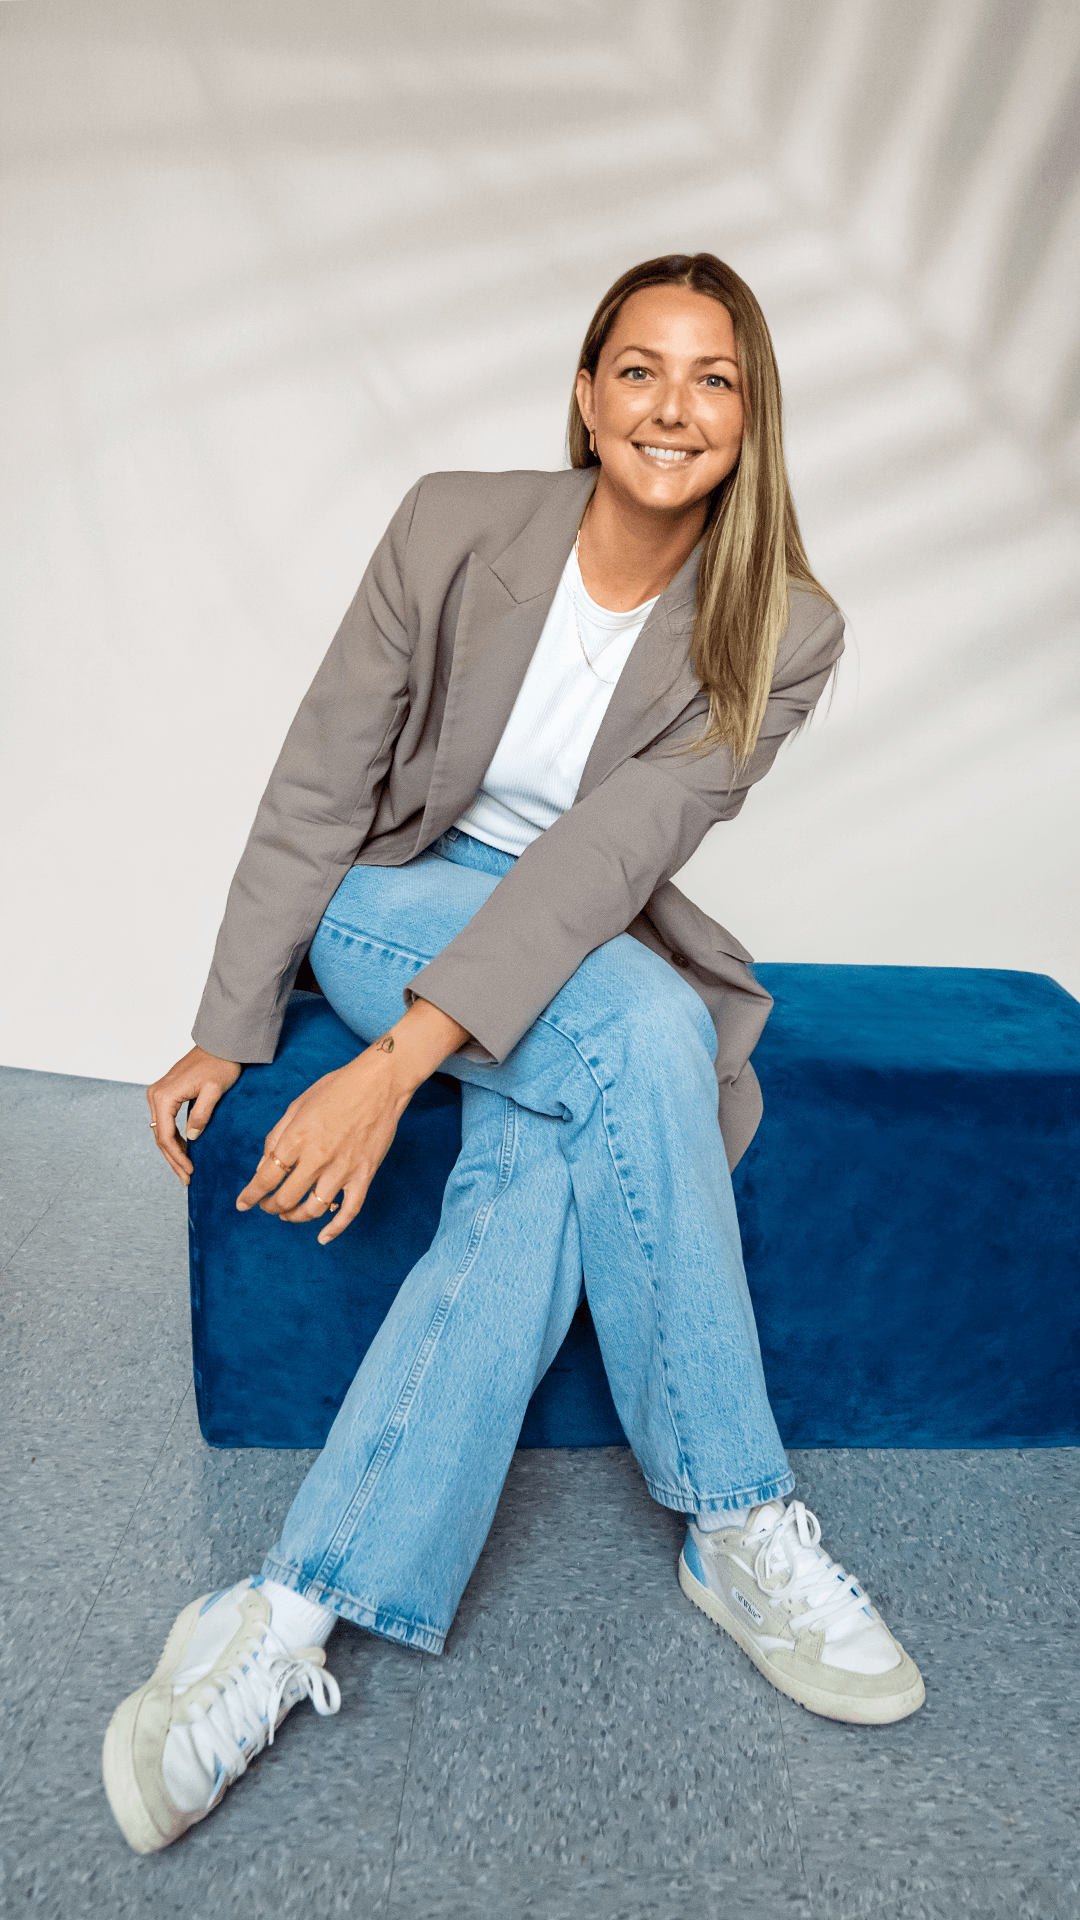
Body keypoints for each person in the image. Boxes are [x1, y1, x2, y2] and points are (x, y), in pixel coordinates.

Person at [103, 252, 924, 1856]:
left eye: (713, 379)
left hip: (581, 930)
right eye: (639, 369)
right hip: (394, 903)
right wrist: (232, 1025)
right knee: (644, 1029)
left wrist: (393, 1071)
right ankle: (738, 1515)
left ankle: (283, 1617)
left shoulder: (787, 627)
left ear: (752, 420)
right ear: (586, 390)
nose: (670, 407)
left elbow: (606, 857)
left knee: (556, 1137)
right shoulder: (450, 526)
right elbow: (320, 785)